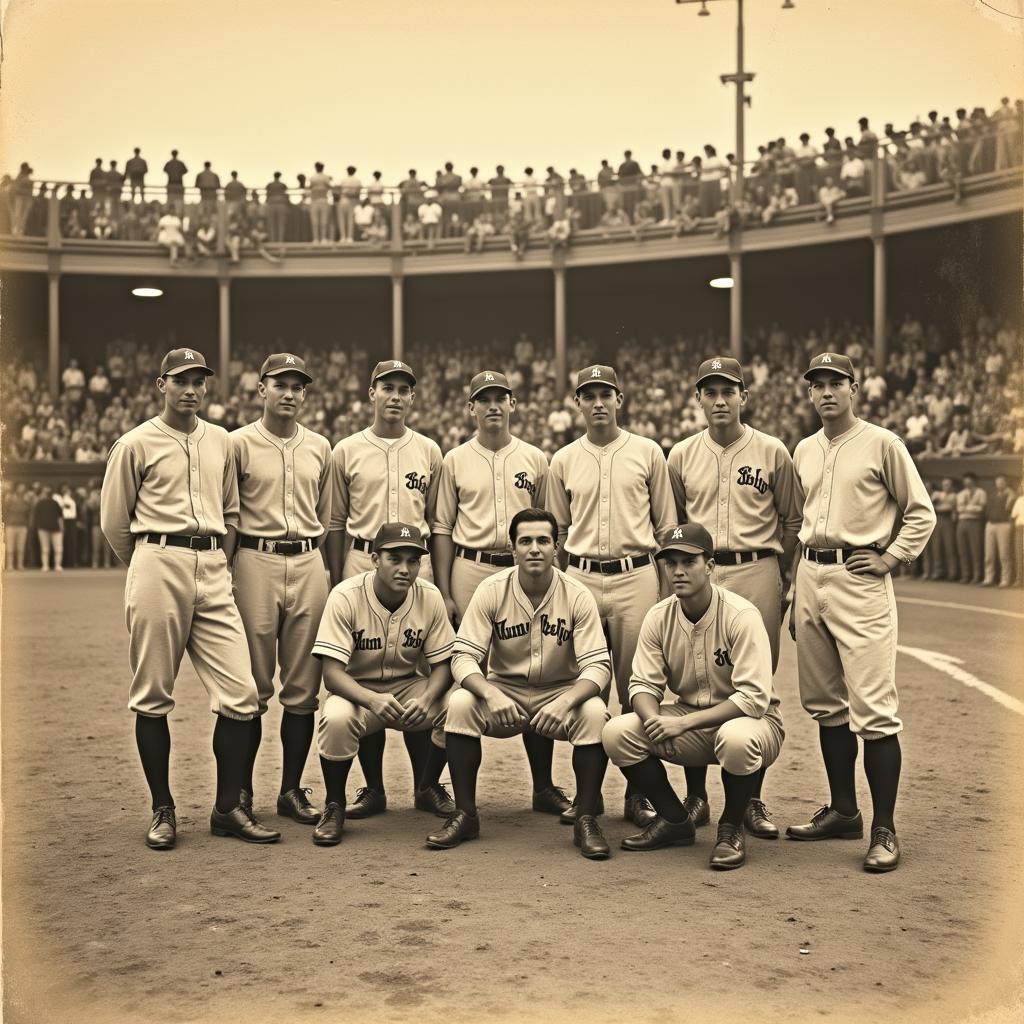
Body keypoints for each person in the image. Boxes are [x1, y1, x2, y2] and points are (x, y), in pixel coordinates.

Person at [100, 347, 279, 850]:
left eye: (199, 380)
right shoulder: (135, 443)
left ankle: (226, 809)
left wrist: (216, 560)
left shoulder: (220, 440)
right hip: (157, 558)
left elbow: (230, 510)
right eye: (182, 380)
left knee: (242, 694)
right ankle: (163, 808)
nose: (192, 389)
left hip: (213, 565)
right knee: (153, 693)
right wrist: (147, 563)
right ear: (162, 384)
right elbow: (114, 523)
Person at [787, 352, 935, 872]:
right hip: (810, 573)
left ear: (855, 387)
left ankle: (884, 828)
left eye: (836, 383)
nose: (826, 392)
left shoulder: (882, 442)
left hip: (859, 577)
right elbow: (798, 520)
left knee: (873, 708)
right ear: (809, 393)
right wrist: (794, 593)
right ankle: (845, 810)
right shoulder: (803, 449)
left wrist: (892, 556)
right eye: (817, 384)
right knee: (825, 704)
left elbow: (921, 512)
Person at [667, 356, 801, 839]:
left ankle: (750, 798)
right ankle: (697, 795)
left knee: (753, 682)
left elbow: (791, 520)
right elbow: (677, 524)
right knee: (693, 675)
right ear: (699, 398)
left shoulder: (772, 451)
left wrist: (782, 575)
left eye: (728, 391)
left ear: (744, 396)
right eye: (710, 392)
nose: (719, 400)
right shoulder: (680, 454)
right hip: (701, 569)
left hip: (756, 568)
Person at [427, 508, 612, 858]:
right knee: (461, 703)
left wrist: (568, 700)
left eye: (543, 540)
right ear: (513, 549)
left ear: (557, 547)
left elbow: (598, 666)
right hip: (505, 691)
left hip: (559, 690)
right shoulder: (492, 589)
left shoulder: (577, 594)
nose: (535, 549)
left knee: (594, 710)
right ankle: (465, 813)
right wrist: (488, 692)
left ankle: (586, 817)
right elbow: (463, 657)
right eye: (525, 541)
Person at [602, 523, 784, 869]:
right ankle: (673, 820)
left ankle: (730, 828)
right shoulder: (658, 616)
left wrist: (683, 724)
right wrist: (654, 721)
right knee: (617, 732)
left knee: (737, 738)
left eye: (689, 561)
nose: (679, 571)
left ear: (710, 566)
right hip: (689, 721)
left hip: (755, 725)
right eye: (671, 563)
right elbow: (641, 685)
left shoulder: (741, 615)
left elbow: (753, 699)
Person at [546, 365, 675, 828]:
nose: (598, 402)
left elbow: (665, 528)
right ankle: (588, 797)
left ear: (620, 399)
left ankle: (638, 794)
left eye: (606, 393)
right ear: (577, 402)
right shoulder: (562, 458)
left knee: (637, 686)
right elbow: (556, 531)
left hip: (634, 574)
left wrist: (663, 591)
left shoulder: (647, 452)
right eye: (589, 394)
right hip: (579, 575)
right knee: (588, 692)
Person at [431, 371, 562, 814]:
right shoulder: (454, 459)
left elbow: (547, 524)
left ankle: (542, 787)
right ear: (470, 408)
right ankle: (433, 784)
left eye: (499, 398)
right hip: (472, 565)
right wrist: (447, 588)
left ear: (512, 404)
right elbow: (443, 527)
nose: (492, 406)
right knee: (463, 676)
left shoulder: (534, 457)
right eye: (482, 399)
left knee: (534, 667)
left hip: (527, 568)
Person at [325, 360, 448, 821]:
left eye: (404, 389)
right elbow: (335, 521)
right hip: (362, 557)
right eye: (387, 388)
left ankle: (426, 786)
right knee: (367, 669)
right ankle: (373, 787)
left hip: (414, 567)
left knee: (419, 676)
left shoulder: (430, 450)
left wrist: (439, 579)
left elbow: (438, 523)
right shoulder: (347, 449)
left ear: (413, 398)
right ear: (370, 393)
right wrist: (339, 578)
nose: (395, 396)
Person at [229, 353, 333, 828]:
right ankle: (242, 792)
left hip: (309, 558)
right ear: (261, 389)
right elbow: (229, 514)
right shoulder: (238, 444)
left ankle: (290, 789)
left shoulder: (320, 446)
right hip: (255, 558)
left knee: (303, 688)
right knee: (249, 686)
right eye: (280, 384)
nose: (289, 393)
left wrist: (327, 572)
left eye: (297, 386)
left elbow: (328, 516)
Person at [310, 522, 456, 846]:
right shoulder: (345, 595)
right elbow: (332, 674)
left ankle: (427, 786)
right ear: (375, 559)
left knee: (457, 705)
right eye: (395, 558)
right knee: (335, 718)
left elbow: (443, 666)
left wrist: (430, 697)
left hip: (408, 686)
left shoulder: (428, 596)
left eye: (413, 561)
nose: (405, 569)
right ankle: (335, 804)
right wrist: (370, 700)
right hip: (356, 689)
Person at [954, 472, 987, 584]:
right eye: (965, 480)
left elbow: (981, 509)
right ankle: (966, 575)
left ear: (974, 481)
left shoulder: (980, 492)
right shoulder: (961, 494)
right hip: (962, 522)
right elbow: (959, 509)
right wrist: (972, 507)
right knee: (963, 550)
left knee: (975, 550)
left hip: (975, 522)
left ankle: (977, 576)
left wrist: (967, 508)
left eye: (969, 480)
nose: (967, 482)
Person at [983, 475, 1014, 587]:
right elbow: (987, 509)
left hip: (1004, 524)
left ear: (1006, 482)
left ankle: (1005, 580)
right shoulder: (992, 494)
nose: (999, 484)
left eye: (1001, 481)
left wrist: (1010, 496)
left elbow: (1009, 508)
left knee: (1004, 554)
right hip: (991, 524)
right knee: (989, 554)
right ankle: (988, 578)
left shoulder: (1011, 494)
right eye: (997, 482)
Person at [927, 477, 959, 581]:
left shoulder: (954, 495)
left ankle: (953, 573)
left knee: (949, 547)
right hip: (938, 520)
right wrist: (941, 505)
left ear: (952, 486)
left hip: (948, 520)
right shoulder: (938, 494)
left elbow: (950, 508)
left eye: (948, 485)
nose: (946, 487)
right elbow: (931, 506)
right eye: (944, 484)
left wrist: (940, 505)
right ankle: (938, 571)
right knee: (937, 547)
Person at [32, 486, 63, 571]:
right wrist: (62, 528)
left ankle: (45, 566)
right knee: (58, 549)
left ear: (44, 494)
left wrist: (38, 527)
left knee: (45, 548)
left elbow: (36, 517)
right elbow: (60, 517)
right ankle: (57, 566)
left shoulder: (39, 503)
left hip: (43, 528)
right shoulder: (55, 503)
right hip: (55, 528)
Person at [4, 481, 31, 570]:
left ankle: (20, 565)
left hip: (22, 525)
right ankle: (9, 565)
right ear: (16, 488)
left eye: (23, 488)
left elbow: (28, 511)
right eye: (20, 487)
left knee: (21, 547)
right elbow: (5, 510)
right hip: (10, 525)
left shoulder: (26, 499)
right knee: (10, 547)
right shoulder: (10, 497)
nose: (22, 489)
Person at [308, 162, 333, 244]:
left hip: (320, 200)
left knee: (322, 221)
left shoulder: (313, 178)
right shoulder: (323, 177)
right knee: (318, 221)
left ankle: (321, 238)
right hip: (318, 200)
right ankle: (318, 238)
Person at [163, 150, 187, 216]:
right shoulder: (180, 163)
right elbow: (185, 171)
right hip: (178, 184)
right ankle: (176, 214)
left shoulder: (169, 163)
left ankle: (170, 214)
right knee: (179, 202)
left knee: (171, 200)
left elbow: (165, 170)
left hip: (171, 184)